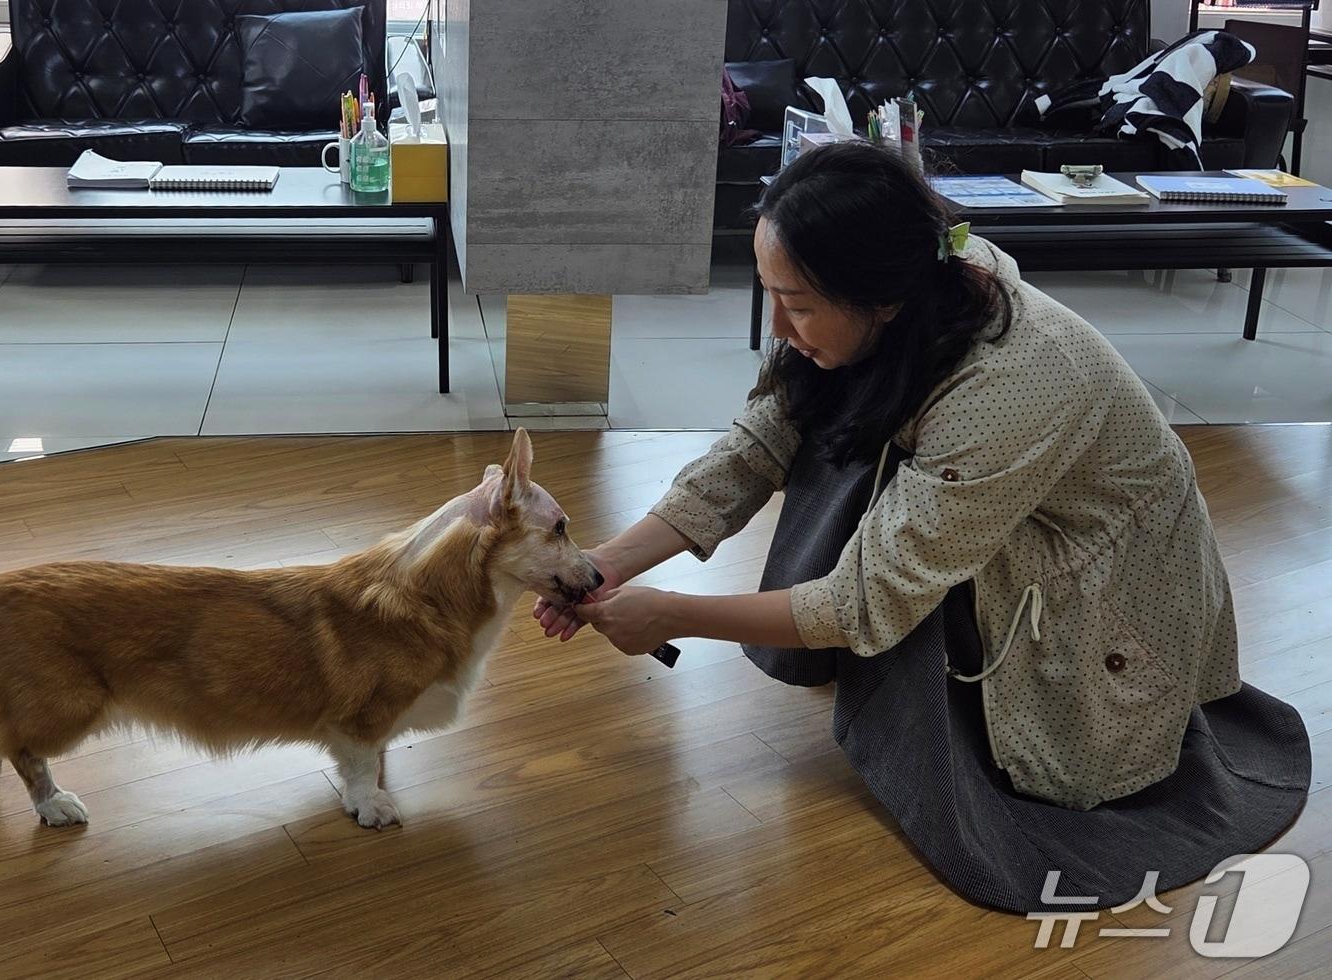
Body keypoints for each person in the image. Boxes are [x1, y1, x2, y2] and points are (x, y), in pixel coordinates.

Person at [533, 142, 1310, 914]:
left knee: (891, 573)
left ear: (883, 299)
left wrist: (673, 614)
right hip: (1022, 508)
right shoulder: (918, 297)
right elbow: (753, 449)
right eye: (769, 291)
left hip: (1114, 579)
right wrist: (602, 566)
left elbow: (865, 603)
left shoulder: (1010, 382)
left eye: (797, 303)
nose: (777, 321)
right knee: (828, 427)